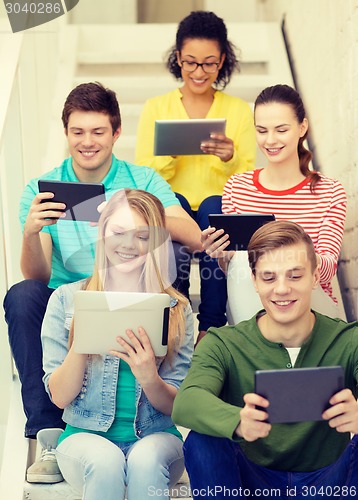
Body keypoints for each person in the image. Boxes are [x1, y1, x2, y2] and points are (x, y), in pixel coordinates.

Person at [3, 83, 200, 445]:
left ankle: (151, 414)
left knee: (176, 253)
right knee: (22, 294)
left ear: (116, 133)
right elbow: (37, 276)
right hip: (70, 303)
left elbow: (193, 234)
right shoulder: (40, 189)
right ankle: (47, 432)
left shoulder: (142, 179)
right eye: (77, 131)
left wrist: (127, 211)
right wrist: (31, 233)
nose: (87, 141)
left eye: (98, 131)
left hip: (134, 294)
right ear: (66, 133)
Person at [172, 220, 358, 498]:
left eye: (294, 276)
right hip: (250, 481)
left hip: (331, 482)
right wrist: (237, 420)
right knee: (203, 439)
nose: (281, 289)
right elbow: (187, 402)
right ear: (255, 280)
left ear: (315, 276)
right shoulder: (224, 342)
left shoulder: (349, 339)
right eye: (269, 277)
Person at [37, 189, 194, 499]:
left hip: (157, 436)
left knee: (146, 460)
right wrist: (82, 343)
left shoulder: (176, 310)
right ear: (102, 232)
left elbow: (178, 408)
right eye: (119, 232)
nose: (128, 245)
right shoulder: (66, 300)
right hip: (84, 436)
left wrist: (149, 375)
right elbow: (58, 397)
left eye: (142, 236)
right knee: (105, 461)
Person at [135, 10, 256, 341]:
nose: (199, 72)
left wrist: (229, 157)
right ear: (178, 59)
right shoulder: (156, 108)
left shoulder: (238, 110)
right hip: (174, 206)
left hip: (217, 210)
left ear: (222, 61)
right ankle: (179, 320)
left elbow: (249, 179)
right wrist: (169, 155)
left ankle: (211, 325)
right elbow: (144, 173)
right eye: (190, 62)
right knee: (179, 214)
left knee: (213, 212)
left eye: (209, 63)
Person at [202, 84, 346, 325]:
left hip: (312, 306)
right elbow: (235, 272)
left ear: (302, 128)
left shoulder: (330, 191)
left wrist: (285, 256)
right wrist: (221, 254)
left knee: (265, 263)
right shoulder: (237, 187)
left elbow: (328, 267)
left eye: (281, 130)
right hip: (256, 303)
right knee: (241, 260)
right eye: (261, 130)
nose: (270, 141)